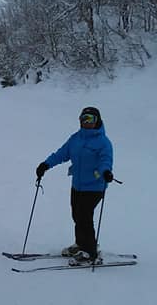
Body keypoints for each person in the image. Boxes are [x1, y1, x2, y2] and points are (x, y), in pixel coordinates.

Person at [35, 106, 114, 262]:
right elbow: (61, 153)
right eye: (84, 119)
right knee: (77, 215)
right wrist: (46, 164)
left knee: (85, 216)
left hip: (95, 186)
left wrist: (106, 172)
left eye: (90, 119)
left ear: (97, 121)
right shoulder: (75, 139)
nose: (87, 122)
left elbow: (105, 160)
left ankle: (90, 252)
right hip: (77, 185)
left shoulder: (103, 142)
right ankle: (81, 244)